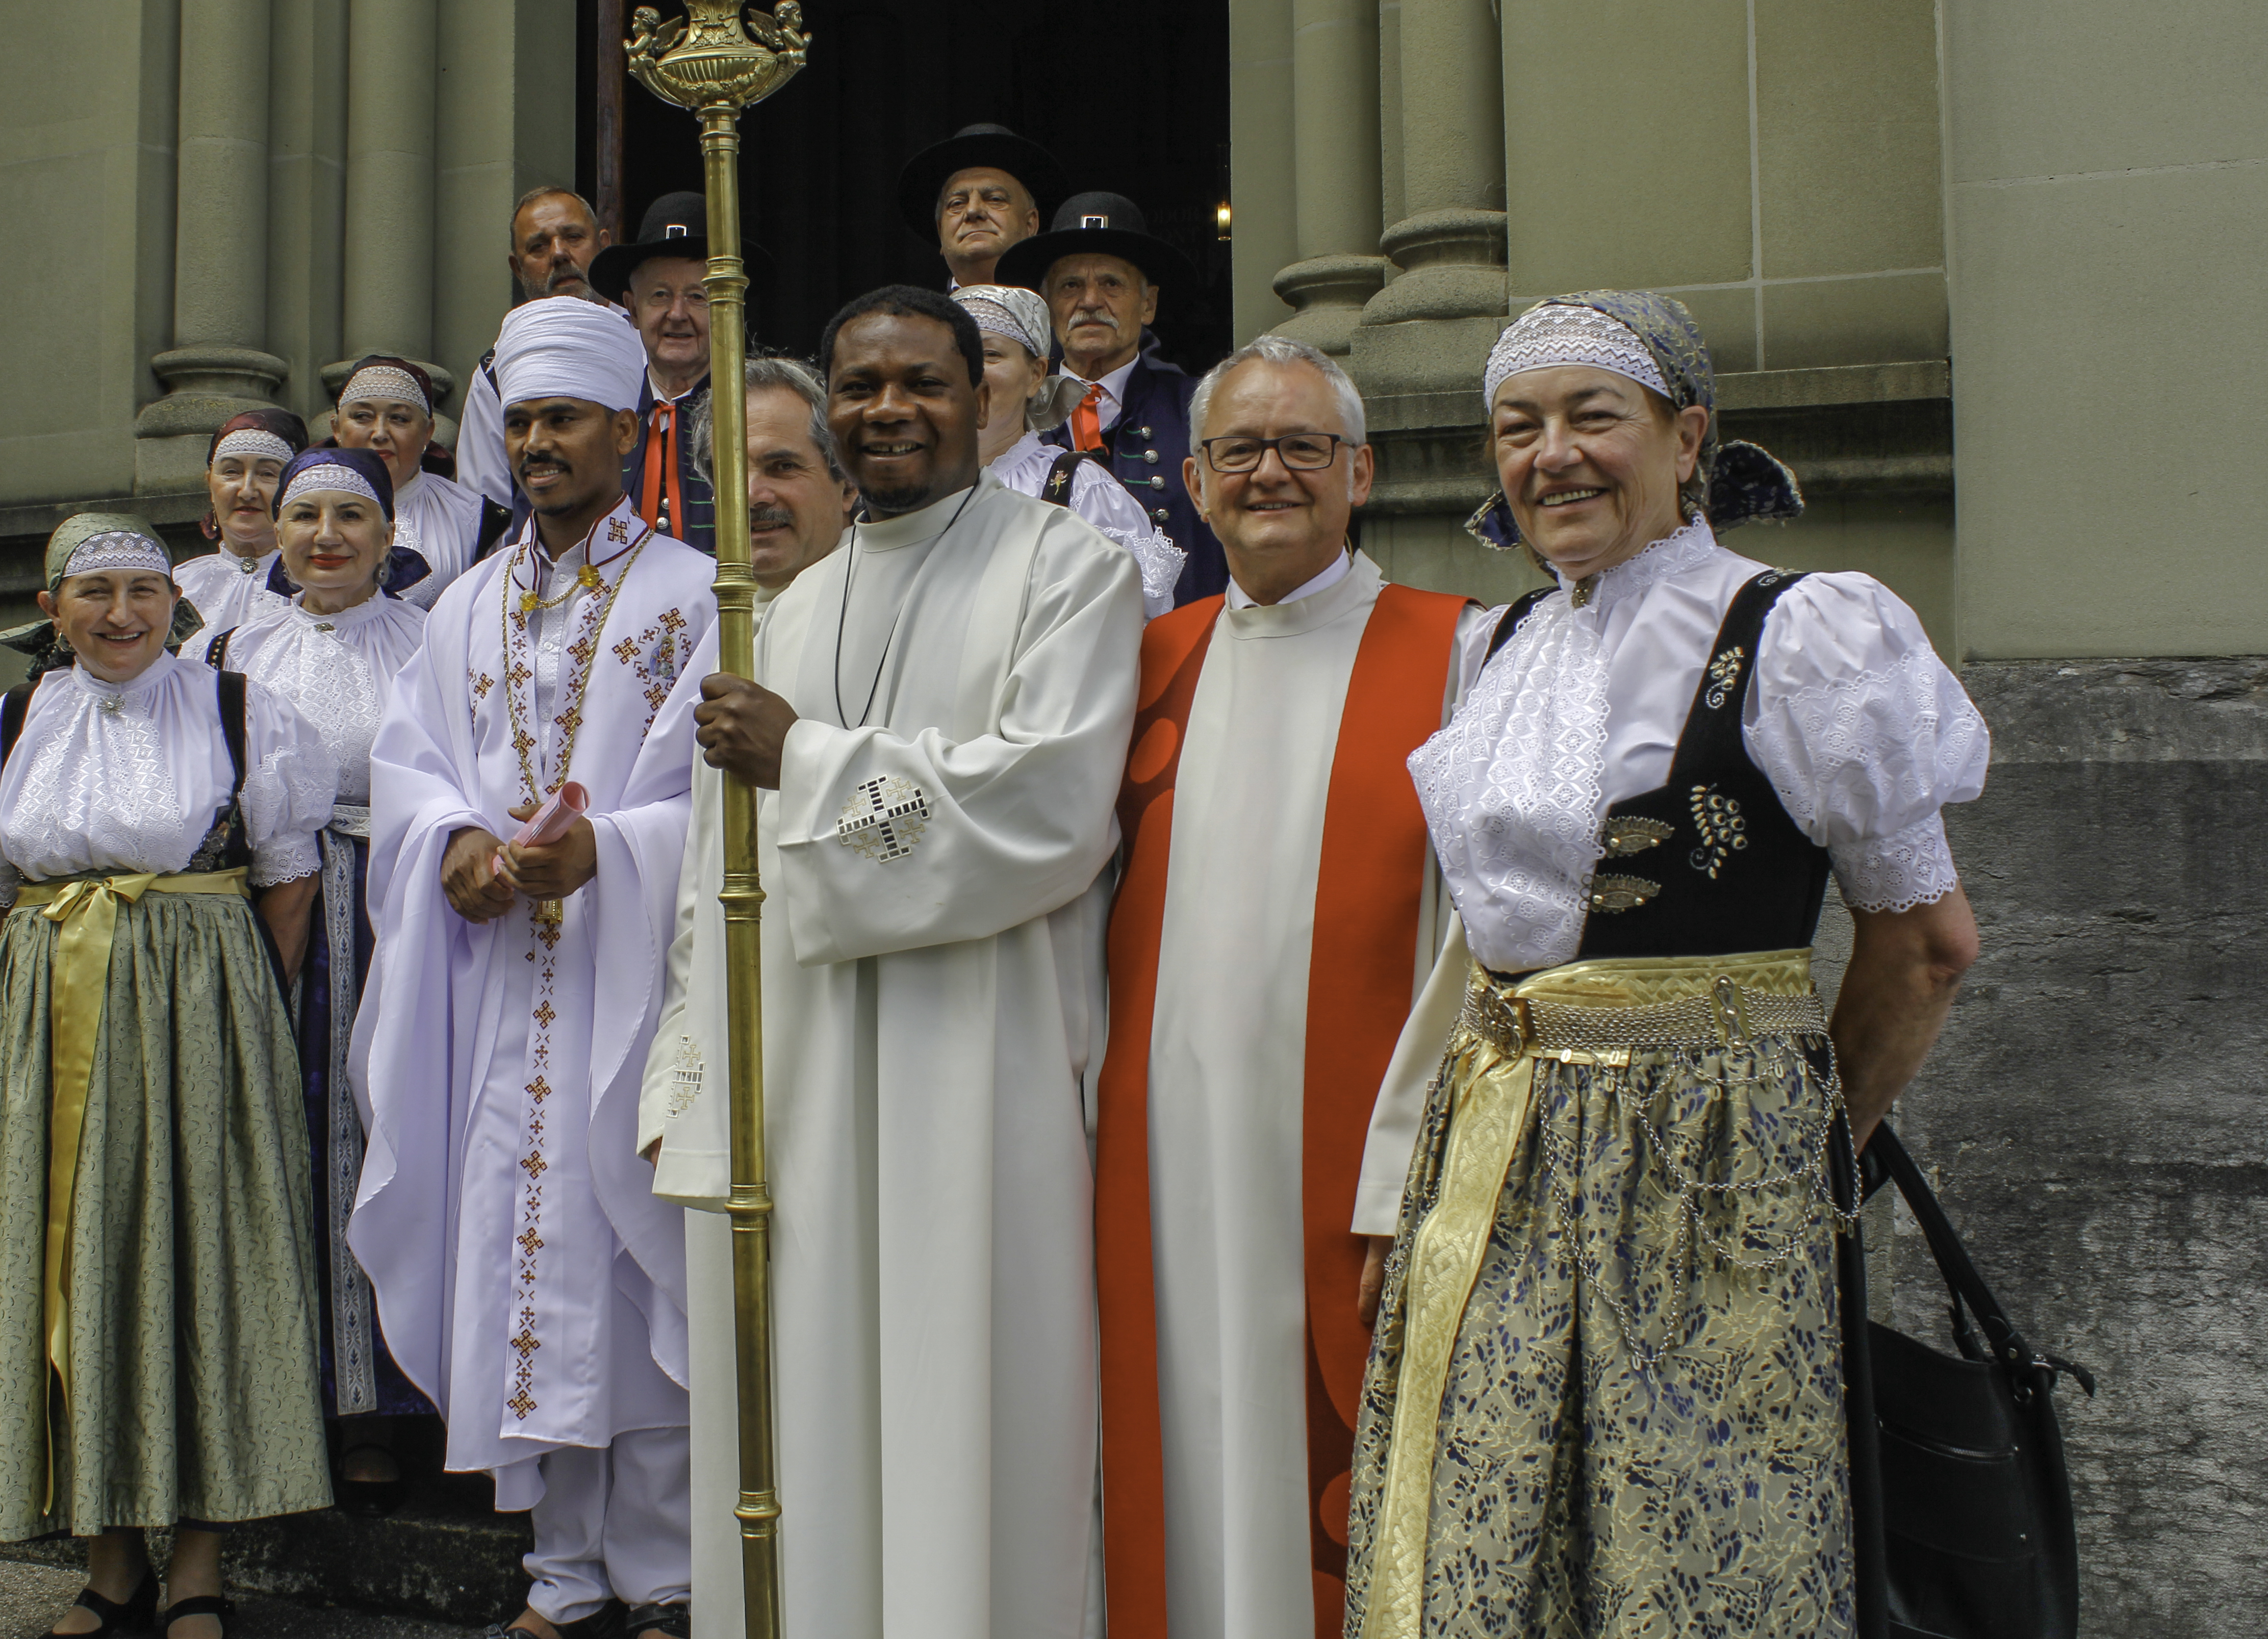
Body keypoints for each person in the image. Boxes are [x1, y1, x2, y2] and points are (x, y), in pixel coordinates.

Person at [1340, 293, 1989, 1639]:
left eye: (1595, 417)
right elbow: (1483, 955)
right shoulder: (1505, 642)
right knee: (1493, 1523)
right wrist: (1420, 1185)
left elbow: (1925, 945)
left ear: (1686, 439)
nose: (1552, 454)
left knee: (1694, 1545)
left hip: (1705, 1162)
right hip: (1498, 1161)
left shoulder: (1804, 635)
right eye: (1517, 428)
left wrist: (1809, 1159)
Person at [640, 286, 1144, 1638]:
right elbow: (713, 881)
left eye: (920, 382)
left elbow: (1039, 813)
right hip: (800, 1094)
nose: (887, 410)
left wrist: (805, 759)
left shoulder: (1066, 569)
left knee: (966, 1419)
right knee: (810, 1434)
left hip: (980, 1083)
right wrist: (691, 1090)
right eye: (860, 387)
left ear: (985, 395)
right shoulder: (784, 615)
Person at [1090, 335, 1471, 1636]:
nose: (1270, 474)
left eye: (1302, 446)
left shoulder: (1460, 655)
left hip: (1350, 1164)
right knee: (1178, 1449)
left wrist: (1414, 1177)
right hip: (1163, 1159)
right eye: (1239, 451)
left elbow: (1482, 944)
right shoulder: (1151, 657)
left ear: (1358, 471)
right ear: (1193, 484)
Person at [347, 297, 714, 1639]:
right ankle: (560, 1576)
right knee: (527, 1267)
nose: (542, 442)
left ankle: (666, 1578)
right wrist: (447, 843)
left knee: (637, 1266)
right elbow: (412, 765)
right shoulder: (460, 608)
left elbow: (737, 812)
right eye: (524, 421)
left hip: (636, 997)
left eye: (566, 418)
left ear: (627, 427)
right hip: (506, 993)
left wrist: (610, 854)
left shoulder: (691, 594)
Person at [0, 514, 338, 1639]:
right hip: (51, 1012)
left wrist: (228, 1012)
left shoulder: (241, 710)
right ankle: (110, 1562)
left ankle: (198, 1564)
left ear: (175, 603)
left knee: (198, 1258)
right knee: (69, 1259)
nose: (122, 615)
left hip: (200, 1008)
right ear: (51, 609)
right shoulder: (7, 724)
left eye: (144, 592)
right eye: (95, 592)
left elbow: (289, 886)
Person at [183, 449, 438, 1512]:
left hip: (402, 917)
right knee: (278, 1141)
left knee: (390, 1142)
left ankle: (388, 1398)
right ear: (272, 533)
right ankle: (285, 1397)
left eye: (350, 516)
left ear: (388, 536)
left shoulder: (430, 643)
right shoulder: (225, 649)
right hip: (266, 919)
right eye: (303, 516)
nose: (324, 536)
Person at [997, 192, 1227, 604]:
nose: (1089, 301)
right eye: (1070, 286)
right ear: (1048, 306)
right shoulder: (1005, 416)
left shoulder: (1204, 410)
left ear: (1148, 304)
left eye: (1111, 284)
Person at [955, 283, 1184, 618]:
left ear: (1036, 375)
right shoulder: (918, 486)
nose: (973, 371)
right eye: (957, 357)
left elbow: (1129, 628)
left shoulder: (1079, 489)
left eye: (991, 355)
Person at [585, 190, 743, 555]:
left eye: (698, 297)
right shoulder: (603, 421)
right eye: (659, 295)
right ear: (632, 310)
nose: (677, 314)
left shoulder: (755, 414)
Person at [458, 188, 618, 507]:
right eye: (539, 247)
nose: (559, 254)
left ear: (603, 245)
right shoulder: (497, 373)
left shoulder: (650, 343)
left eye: (573, 237)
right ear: (518, 269)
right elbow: (488, 507)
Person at [333, 353, 507, 605]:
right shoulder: (298, 507)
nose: (380, 433)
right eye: (362, 417)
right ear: (337, 429)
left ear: (428, 432)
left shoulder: (477, 518)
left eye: (399, 419)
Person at [681, 353, 857, 596]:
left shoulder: (882, 598)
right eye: (732, 476)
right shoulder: (695, 613)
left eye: (782, 467)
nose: (752, 495)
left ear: (849, 484)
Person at [174, 408, 307, 636]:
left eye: (267, 474)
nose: (247, 492)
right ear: (210, 484)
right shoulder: (181, 585)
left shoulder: (318, 588)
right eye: (232, 472)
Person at [894, 121, 1064, 289]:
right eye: (957, 203)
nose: (973, 210)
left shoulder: (1061, 315)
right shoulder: (917, 316)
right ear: (940, 231)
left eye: (995, 199)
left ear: (1031, 224)